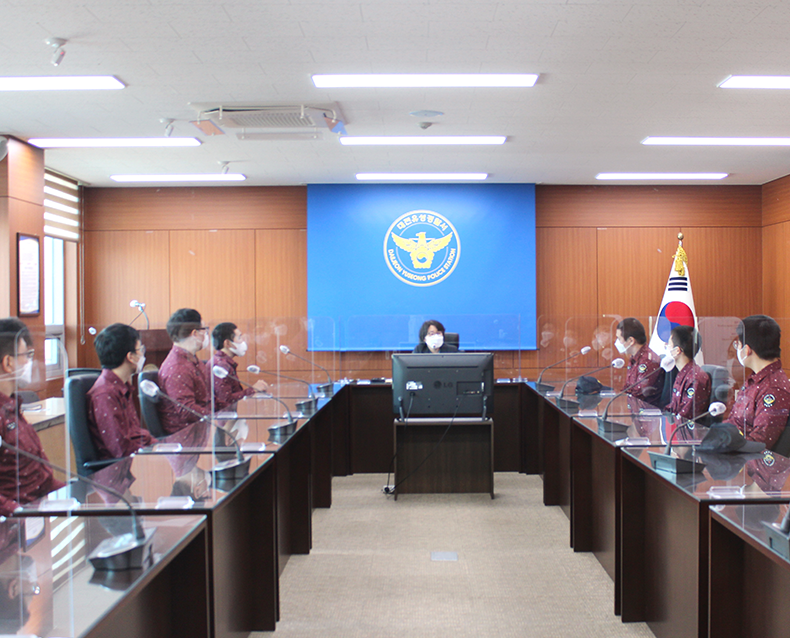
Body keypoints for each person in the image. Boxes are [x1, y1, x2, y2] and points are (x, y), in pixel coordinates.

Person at [0, 318, 65, 516]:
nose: (30, 362)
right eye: (27, 355)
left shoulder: (12, 407)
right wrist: (19, 512)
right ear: (8, 363)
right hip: (15, 526)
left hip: (39, 515)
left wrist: (70, 495)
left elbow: (40, 476)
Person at [86, 323, 157, 460]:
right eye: (140, 349)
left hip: (139, 460)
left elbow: (135, 435)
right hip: (120, 472)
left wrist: (160, 447)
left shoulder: (120, 387)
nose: (143, 354)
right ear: (130, 357)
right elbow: (122, 450)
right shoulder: (105, 394)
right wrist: (156, 453)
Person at [729, 315, 790, 448]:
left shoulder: (774, 389)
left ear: (747, 350)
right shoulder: (754, 379)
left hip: (751, 463)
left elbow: (760, 441)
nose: (736, 349)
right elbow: (734, 420)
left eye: (737, 344)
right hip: (733, 453)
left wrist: (724, 444)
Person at [157, 308, 211, 434]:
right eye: (204, 330)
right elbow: (187, 411)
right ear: (195, 333)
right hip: (187, 438)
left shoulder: (191, 359)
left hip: (202, 430)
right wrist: (217, 417)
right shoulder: (177, 367)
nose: (206, 334)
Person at [208, 322, 268, 411]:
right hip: (225, 421)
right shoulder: (220, 365)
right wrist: (253, 390)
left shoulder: (224, 362)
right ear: (227, 343)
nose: (243, 342)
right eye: (239, 338)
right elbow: (225, 400)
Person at [615, 318, 665, 407]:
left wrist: (618, 401)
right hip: (635, 410)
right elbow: (628, 387)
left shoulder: (647, 361)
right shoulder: (634, 357)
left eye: (619, 338)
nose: (617, 342)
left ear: (631, 341)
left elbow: (639, 394)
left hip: (647, 413)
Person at [666, 325, 712, 420]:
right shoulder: (683, 373)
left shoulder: (695, 378)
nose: (665, 346)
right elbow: (674, 408)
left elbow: (685, 415)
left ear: (677, 350)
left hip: (690, 432)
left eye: (668, 344)